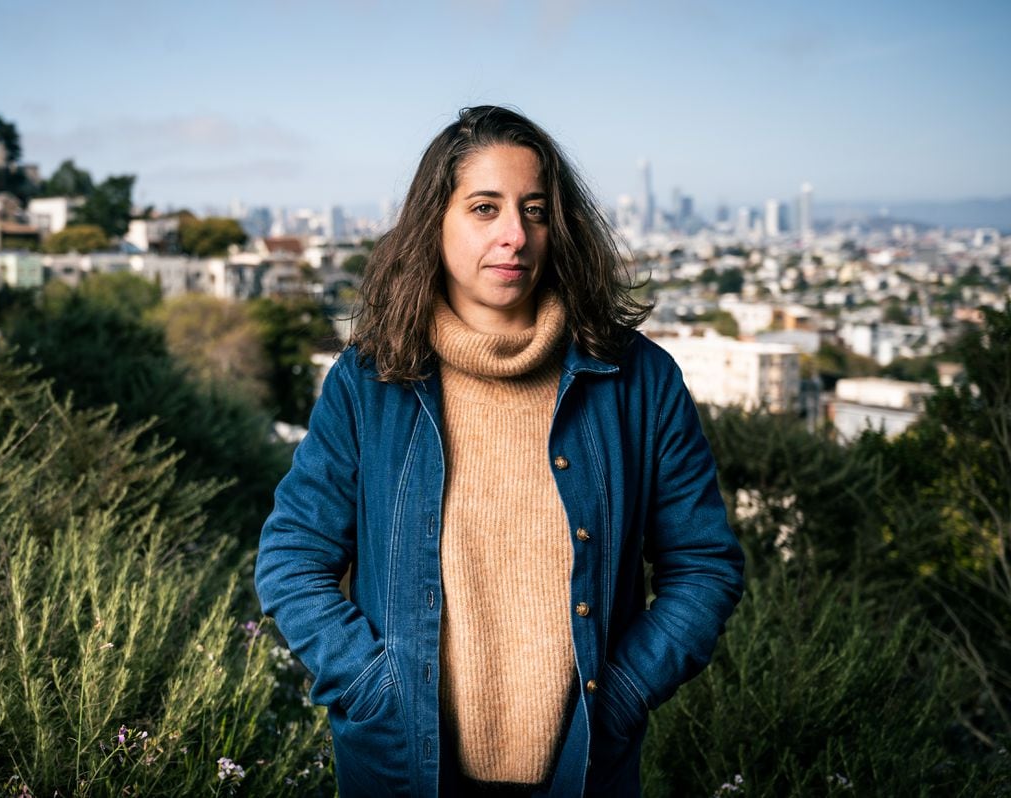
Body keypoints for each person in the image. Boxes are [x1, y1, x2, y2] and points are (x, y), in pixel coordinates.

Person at [255, 105, 744, 797]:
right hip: (400, 770)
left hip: (583, 773)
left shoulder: (640, 382)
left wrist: (625, 690)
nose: (514, 235)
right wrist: (374, 689)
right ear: (437, 222)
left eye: (535, 211)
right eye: (484, 208)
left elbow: (704, 566)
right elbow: (291, 561)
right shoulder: (368, 385)